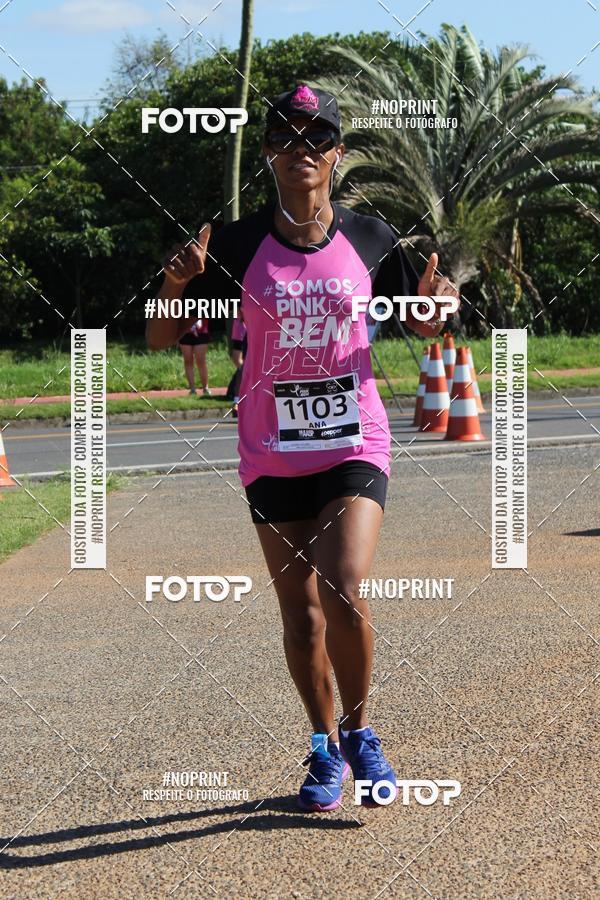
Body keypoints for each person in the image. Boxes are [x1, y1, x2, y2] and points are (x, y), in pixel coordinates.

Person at [147, 84, 459, 812]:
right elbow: (161, 337)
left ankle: (360, 731)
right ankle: (323, 747)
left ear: (338, 154)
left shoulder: (373, 237)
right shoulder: (230, 245)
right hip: (269, 448)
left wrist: (435, 312)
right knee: (300, 615)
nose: (302, 151)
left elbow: (420, 322)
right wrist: (173, 282)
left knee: (341, 585)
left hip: (355, 438)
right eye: (286, 138)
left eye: (317, 138)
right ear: (267, 154)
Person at [178, 317, 211, 396]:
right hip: (185, 332)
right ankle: (192, 389)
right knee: (188, 360)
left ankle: (205, 388)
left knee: (200, 361)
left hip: (201, 331)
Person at [228, 311, 247, 417]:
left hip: (255, 327)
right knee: (242, 366)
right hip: (241, 327)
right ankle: (237, 401)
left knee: (245, 366)